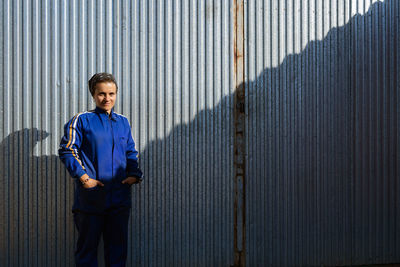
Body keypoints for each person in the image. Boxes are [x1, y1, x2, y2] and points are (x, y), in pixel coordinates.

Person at [58, 72, 143, 267]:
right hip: (91, 199)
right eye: (102, 94)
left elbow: (131, 151)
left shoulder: (123, 122)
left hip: (119, 199)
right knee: (87, 253)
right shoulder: (81, 120)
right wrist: (85, 179)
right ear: (93, 95)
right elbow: (67, 150)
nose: (107, 98)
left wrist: (134, 175)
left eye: (111, 93)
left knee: (117, 252)